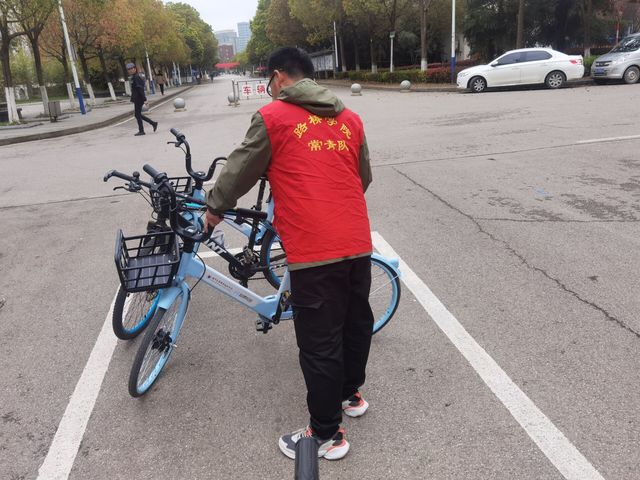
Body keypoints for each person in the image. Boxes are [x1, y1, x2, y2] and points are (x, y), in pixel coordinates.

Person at [205, 47, 374, 461]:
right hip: (356, 240)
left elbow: (239, 170)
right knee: (354, 322)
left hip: (315, 249)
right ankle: (350, 395)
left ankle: (326, 434)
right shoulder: (351, 119)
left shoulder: (273, 117)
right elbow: (363, 176)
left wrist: (214, 210)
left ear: (279, 76)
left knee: (319, 342)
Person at [126, 62, 158, 136]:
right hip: (137, 98)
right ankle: (152, 123)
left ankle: (142, 130)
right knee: (137, 115)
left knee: (137, 115)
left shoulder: (136, 77)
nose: (130, 70)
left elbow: (140, 89)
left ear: (135, 69)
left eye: (131, 69)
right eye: (128, 69)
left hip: (139, 98)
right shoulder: (135, 76)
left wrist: (145, 99)